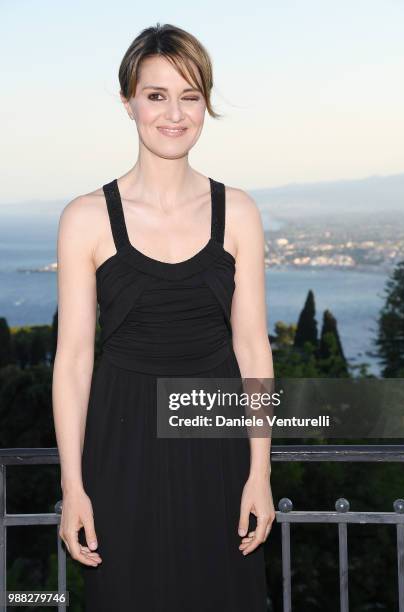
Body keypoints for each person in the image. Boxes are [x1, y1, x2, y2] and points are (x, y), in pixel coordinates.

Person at [52, 22, 275, 611]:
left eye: (190, 95)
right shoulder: (84, 219)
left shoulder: (240, 212)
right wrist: (73, 487)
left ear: (205, 104)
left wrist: (261, 471)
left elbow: (253, 349)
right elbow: (73, 362)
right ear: (130, 102)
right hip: (119, 450)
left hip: (219, 448)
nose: (174, 113)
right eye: (156, 95)